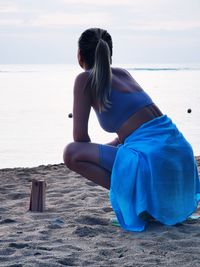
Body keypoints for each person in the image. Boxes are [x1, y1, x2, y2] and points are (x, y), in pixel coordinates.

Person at [63, 28, 200, 231]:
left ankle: (138, 201)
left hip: (155, 161)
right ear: (110, 54)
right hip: (181, 159)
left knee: (71, 152)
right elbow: (136, 135)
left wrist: (101, 152)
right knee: (120, 152)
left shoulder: (84, 80)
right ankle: (145, 200)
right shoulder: (122, 73)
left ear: (79, 56)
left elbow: (79, 139)